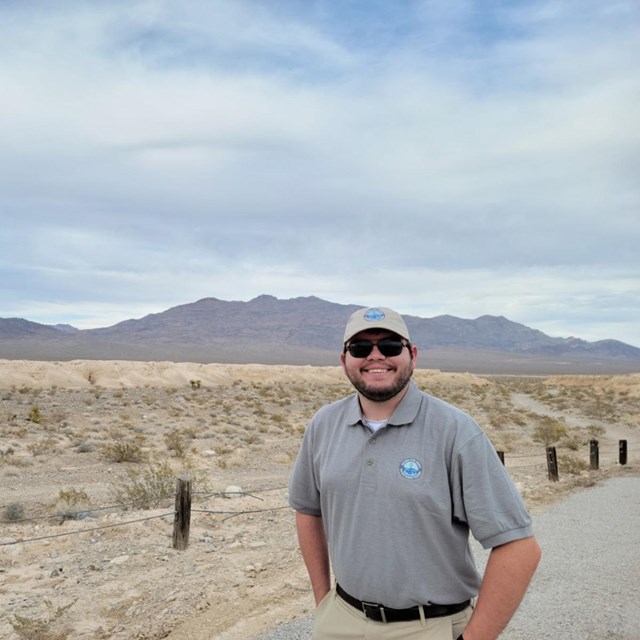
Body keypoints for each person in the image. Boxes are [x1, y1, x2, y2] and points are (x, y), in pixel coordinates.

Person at [288, 306, 541, 640]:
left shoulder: (455, 432)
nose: (375, 356)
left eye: (390, 346)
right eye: (361, 348)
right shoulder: (324, 425)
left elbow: (520, 548)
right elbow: (308, 509)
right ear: (344, 359)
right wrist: (324, 604)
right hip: (342, 621)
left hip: (428, 627)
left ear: (413, 355)